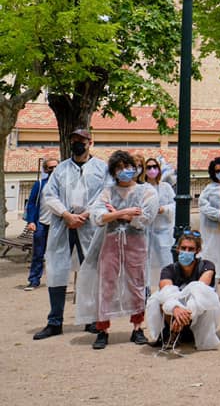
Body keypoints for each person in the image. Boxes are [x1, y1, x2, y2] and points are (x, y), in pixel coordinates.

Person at [75, 150, 159, 349]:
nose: (124, 171)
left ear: (135, 168)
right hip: (111, 243)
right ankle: (102, 329)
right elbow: (98, 216)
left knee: (137, 283)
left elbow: (145, 217)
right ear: (113, 172)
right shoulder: (107, 191)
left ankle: (137, 327)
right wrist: (125, 212)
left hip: (136, 243)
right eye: (119, 168)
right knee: (106, 284)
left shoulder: (146, 191)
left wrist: (116, 214)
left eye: (127, 166)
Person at [33, 128, 110, 340]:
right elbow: (49, 195)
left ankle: (91, 319)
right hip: (63, 225)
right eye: (74, 139)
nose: (77, 143)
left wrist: (85, 214)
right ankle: (54, 321)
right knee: (56, 270)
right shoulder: (61, 169)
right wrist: (66, 214)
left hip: (89, 226)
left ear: (90, 142)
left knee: (91, 271)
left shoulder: (101, 168)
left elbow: (105, 194)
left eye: (81, 140)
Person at [145, 231, 220, 350]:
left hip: (195, 317)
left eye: (191, 249)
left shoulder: (207, 266)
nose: (186, 252)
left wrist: (183, 316)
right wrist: (175, 309)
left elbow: (200, 294)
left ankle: (201, 337)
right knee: (158, 298)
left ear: (198, 251)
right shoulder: (168, 270)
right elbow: (166, 292)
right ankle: (172, 334)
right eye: (183, 248)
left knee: (205, 296)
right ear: (178, 249)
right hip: (173, 317)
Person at [24, 157, 58, 290]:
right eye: (50, 167)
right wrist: (31, 221)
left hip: (57, 225)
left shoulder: (64, 185)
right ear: (45, 170)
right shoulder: (39, 184)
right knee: (38, 253)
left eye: (56, 167)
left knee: (56, 255)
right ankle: (34, 280)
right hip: (41, 223)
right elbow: (31, 203)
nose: (53, 170)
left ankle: (56, 281)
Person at [143, 156, 176, 290]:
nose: (152, 170)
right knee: (146, 262)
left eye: (154, 167)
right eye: (149, 167)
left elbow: (174, 204)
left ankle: (166, 289)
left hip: (163, 231)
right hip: (146, 231)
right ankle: (146, 290)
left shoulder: (166, 187)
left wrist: (164, 209)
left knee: (165, 261)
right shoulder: (142, 188)